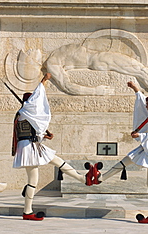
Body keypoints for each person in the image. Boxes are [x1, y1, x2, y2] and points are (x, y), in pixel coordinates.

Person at [12, 73, 97, 221]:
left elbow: (33, 130)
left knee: (58, 161)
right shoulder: (25, 112)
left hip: (34, 145)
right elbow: (36, 99)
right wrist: (44, 81)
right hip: (29, 148)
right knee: (33, 181)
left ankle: (84, 179)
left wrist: (44, 135)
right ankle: (27, 211)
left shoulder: (25, 114)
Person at [92, 81, 148, 224]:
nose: (146, 107)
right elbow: (142, 105)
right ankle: (101, 178)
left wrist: (139, 136)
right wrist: (136, 89)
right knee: (134, 165)